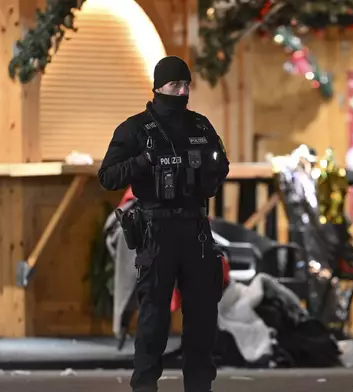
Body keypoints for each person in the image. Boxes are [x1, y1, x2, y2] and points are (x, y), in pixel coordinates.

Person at [98, 55, 229, 392]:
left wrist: (208, 176)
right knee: (154, 321)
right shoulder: (135, 129)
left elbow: (220, 164)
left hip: (196, 231)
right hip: (156, 231)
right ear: (157, 87)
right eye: (175, 85)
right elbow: (108, 176)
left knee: (202, 319)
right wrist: (143, 162)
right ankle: (144, 387)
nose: (182, 91)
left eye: (186, 85)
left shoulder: (200, 126)